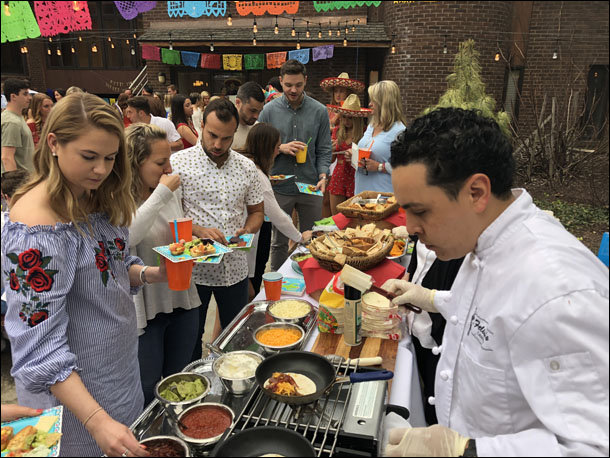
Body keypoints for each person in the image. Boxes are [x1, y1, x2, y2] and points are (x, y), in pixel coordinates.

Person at [383, 107, 609, 457]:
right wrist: (434, 299)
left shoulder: (557, 289)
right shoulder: (488, 242)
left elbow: (597, 445)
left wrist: (464, 450)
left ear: (476, 192)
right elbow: (499, 317)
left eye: (421, 211)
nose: (410, 227)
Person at [2, 92, 170, 457]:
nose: (101, 169)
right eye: (89, 157)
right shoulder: (37, 224)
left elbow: (111, 266)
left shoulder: (93, 193)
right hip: (74, 397)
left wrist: (148, 274)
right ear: (54, 144)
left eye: (110, 158)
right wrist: (95, 418)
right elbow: (38, 345)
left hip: (117, 370)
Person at [170, 98, 264, 361]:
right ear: (200, 125)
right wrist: (199, 230)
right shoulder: (179, 163)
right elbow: (169, 218)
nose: (218, 145)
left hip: (233, 268)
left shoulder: (246, 167)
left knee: (236, 335)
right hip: (193, 270)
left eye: (226, 138)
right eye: (212, 136)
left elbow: (257, 212)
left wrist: (247, 230)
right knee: (190, 337)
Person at [126, 123, 201, 405]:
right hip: (145, 308)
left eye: (169, 159)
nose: (169, 168)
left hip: (181, 296)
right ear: (135, 163)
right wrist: (160, 193)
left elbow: (177, 236)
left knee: (179, 381)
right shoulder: (117, 198)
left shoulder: (168, 190)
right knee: (146, 387)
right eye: (160, 162)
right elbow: (128, 235)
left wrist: (196, 243)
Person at [258, 59, 332, 271]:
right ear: (280, 81)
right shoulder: (269, 111)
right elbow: (258, 148)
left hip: (311, 184)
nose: (293, 89)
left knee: (312, 239)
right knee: (279, 241)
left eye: (298, 85)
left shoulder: (319, 111)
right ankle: (278, 283)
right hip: (279, 185)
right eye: (288, 85)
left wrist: (323, 175)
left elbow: (324, 149)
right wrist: (280, 148)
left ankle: (308, 278)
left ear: (306, 81)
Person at [240, 123, 313, 297]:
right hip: (245, 240)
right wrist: (300, 237)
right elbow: (277, 215)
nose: (277, 151)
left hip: (242, 237)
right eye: (276, 147)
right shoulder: (256, 173)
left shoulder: (245, 163)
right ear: (267, 148)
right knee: (248, 292)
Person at [355, 80, 407, 195]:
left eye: (374, 100)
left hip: (383, 197)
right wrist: (353, 156)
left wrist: (379, 166)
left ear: (384, 102)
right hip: (361, 191)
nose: (370, 104)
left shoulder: (400, 131)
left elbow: (407, 168)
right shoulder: (371, 126)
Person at [325, 94, 370, 215]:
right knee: (337, 218)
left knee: (355, 217)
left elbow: (367, 157)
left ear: (357, 118)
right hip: (339, 175)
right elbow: (331, 160)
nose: (346, 121)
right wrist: (331, 150)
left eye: (350, 117)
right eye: (343, 117)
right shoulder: (337, 130)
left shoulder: (365, 132)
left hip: (356, 176)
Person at [1, 78, 34, 174]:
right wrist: (15, 186)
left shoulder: (15, 118)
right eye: (25, 94)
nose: (29, 97)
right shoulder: (12, 122)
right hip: (19, 181)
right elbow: (7, 157)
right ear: (13, 96)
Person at [232, 81, 265, 151]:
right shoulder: (222, 128)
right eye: (253, 111)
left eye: (260, 111)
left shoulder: (258, 130)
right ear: (238, 103)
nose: (256, 116)